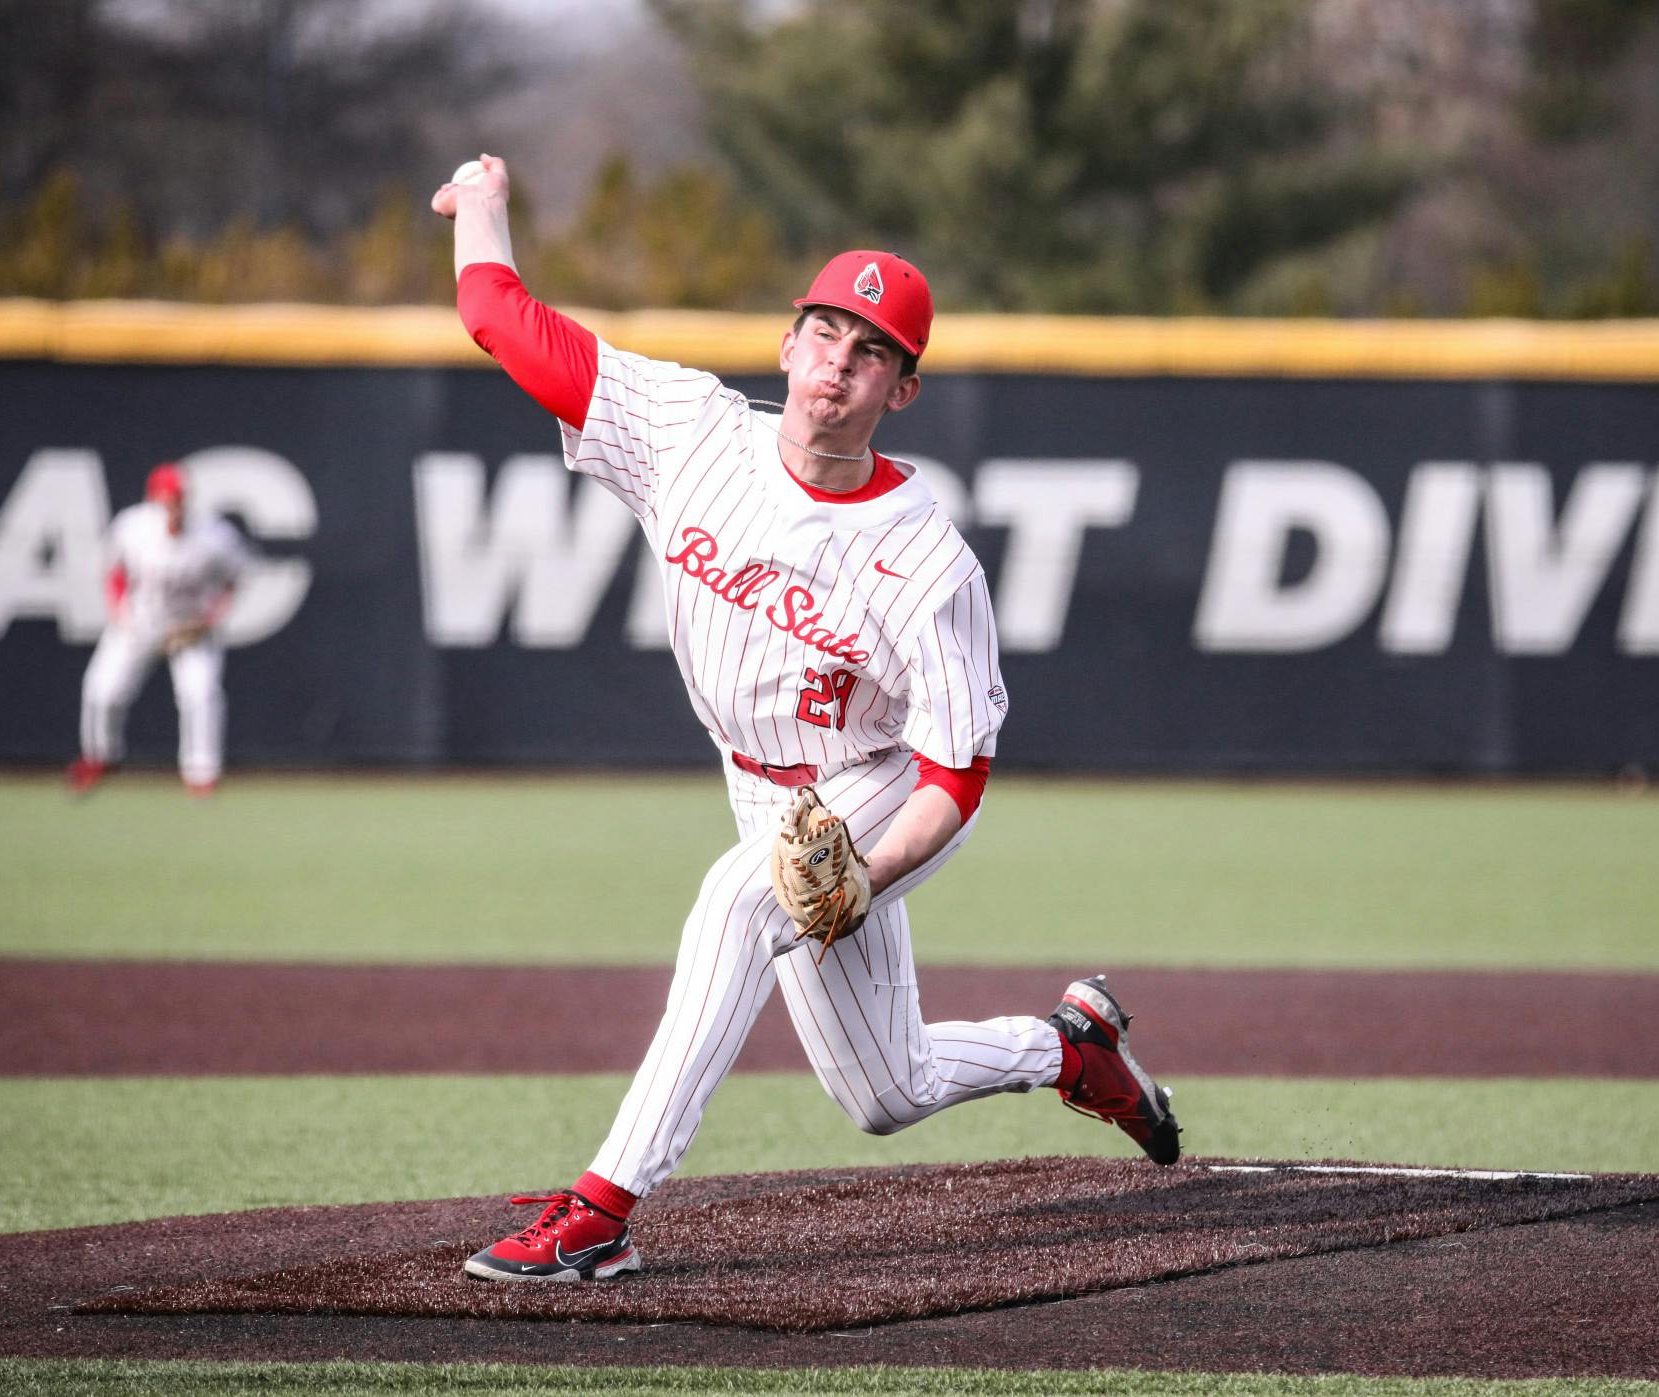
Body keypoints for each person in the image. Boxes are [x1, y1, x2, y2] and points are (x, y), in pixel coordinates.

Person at [432, 155, 1181, 1283]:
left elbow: (955, 780)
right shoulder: (688, 429)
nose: (838, 362)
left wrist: (864, 875)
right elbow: (497, 314)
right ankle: (1070, 1048)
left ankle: (598, 1209)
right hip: (755, 781)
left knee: (735, 906)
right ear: (788, 345)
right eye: (825, 332)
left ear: (902, 389)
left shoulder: (925, 563)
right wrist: (481, 206)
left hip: (869, 777)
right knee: (884, 1092)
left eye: (871, 349)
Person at [66, 463, 250, 798]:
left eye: (178, 498)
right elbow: (114, 570)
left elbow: (234, 579)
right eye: (166, 498)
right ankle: (100, 755)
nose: (173, 505)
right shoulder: (131, 526)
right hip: (140, 622)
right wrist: (121, 613)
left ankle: (201, 772)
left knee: (201, 694)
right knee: (102, 690)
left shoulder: (214, 534)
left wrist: (209, 621)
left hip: (190, 628)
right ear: (152, 498)